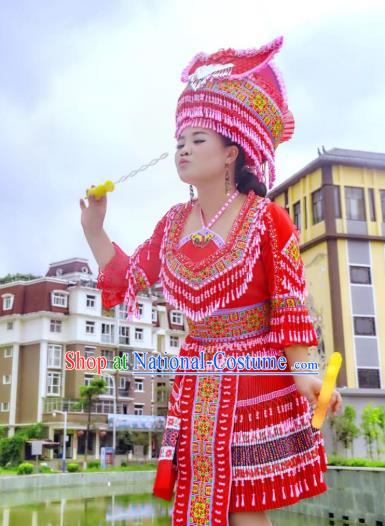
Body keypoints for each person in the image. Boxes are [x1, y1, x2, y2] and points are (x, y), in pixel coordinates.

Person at [80, 35, 342, 526]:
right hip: (197, 373)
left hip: (254, 374)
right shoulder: (174, 222)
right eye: (180, 141)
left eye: (198, 140)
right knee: (201, 504)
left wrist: (307, 371)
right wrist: (95, 230)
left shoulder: (268, 220)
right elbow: (129, 279)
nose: (183, 149)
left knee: (244, 509)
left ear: (230, 154)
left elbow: (290, 304)